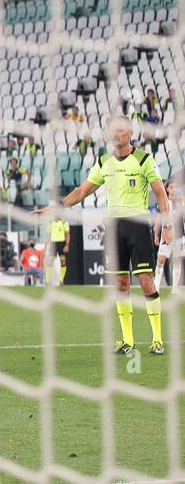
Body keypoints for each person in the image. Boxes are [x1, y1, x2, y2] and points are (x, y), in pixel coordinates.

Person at [38, 116, 170, 356]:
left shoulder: (144, 160)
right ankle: (128, 341)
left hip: (138, 226)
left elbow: (160, 194)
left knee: (146, 281)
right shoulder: (104, 162)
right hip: (114, 228)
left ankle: (157, 340)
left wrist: (167, 225)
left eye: (119, 130)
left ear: (129, 132)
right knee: (120, 284)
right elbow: (82, 191)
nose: (115, 134)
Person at [46, 215, 70, 286]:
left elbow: (67, 234)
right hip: (53, 244)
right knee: (50, 262)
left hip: (61, 243)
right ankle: (48, 280)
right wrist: (47, 245)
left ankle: (61, 279)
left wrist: (67, 245)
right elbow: (48, 235)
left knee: (63, 262)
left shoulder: (64, 222)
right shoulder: (50, 223)